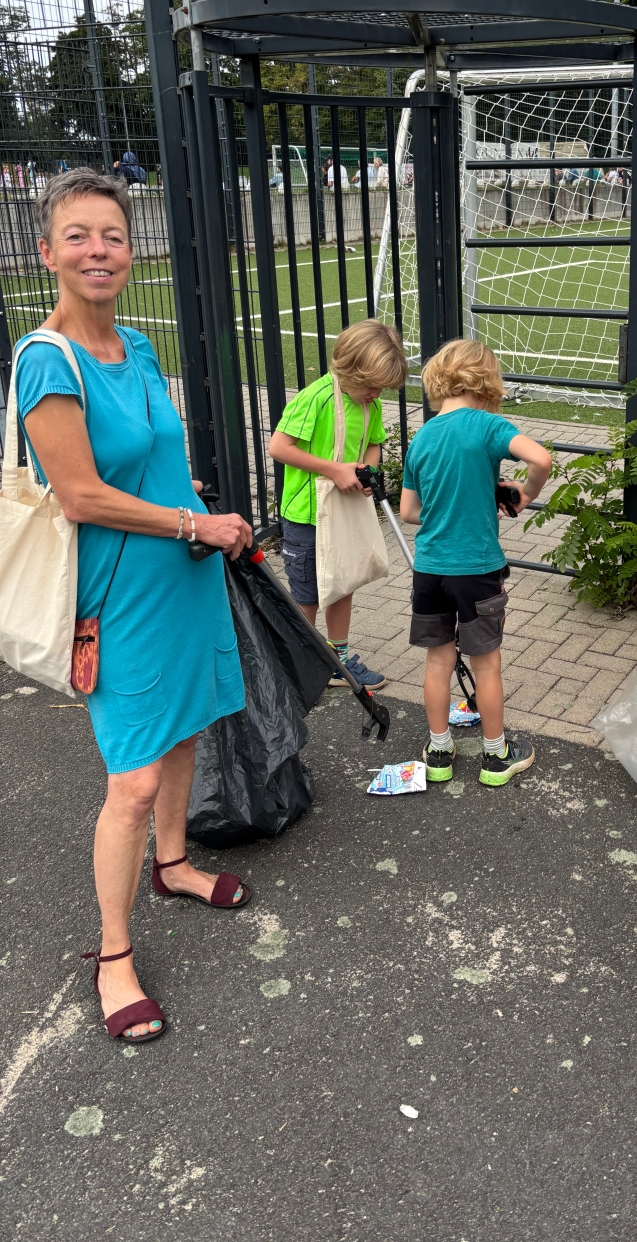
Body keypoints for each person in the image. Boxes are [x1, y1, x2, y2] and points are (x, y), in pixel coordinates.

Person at [14, 169, 254, 1044]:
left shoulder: (140, 347)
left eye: (111, 235)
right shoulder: (47, 360)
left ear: (132, 249)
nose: (98, 251)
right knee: (133, 778)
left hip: (182, 576)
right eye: (77, 236)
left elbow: (156, 459)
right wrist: (194, 520)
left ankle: (174, 863)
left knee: (185, 730)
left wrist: (194, 508)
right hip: (119, 596)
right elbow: (80, 495)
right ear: (48, 252)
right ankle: (113, 956)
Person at [399, 340, 551, 786]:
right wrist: (526, 492)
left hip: (430, 568)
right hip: (476, 568)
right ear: (486, 383)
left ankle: (439, 752)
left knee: (437, 662)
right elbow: (541, 458)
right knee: (486, 664)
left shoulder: (422, 437)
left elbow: (409, 512)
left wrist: (448, 508)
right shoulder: (487, 425)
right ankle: (495, 756)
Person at [267, 320, 408, 690]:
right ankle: (299, 663)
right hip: (306, 515)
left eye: (382, 387)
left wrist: (367, 470)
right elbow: (279, 447)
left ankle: (337, 661)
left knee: (342, 583)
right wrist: (333, 469)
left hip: (341, 513)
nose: (376, 393)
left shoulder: (369, 402)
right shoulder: (316, 398)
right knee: (307, 595)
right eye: (371, 384)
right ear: (350, 369)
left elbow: (373, 442)